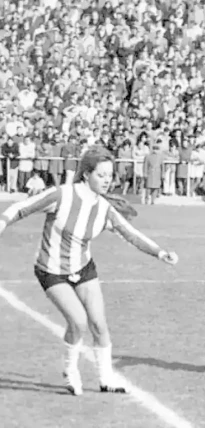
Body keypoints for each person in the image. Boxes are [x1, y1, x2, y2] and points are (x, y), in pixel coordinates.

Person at [0, 146, 179, 396]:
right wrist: (2, 223)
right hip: (51, 270)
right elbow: (21, 208)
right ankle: (70, 369)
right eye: (101, 175)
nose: (107, 180)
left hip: (83, 268)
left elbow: (130, 233)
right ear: (86, 174)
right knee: (78, 321)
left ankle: (106, 379)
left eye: (110, 175)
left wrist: (160, 252)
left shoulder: (104, 209)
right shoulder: (62, 195)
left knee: (99, 324)